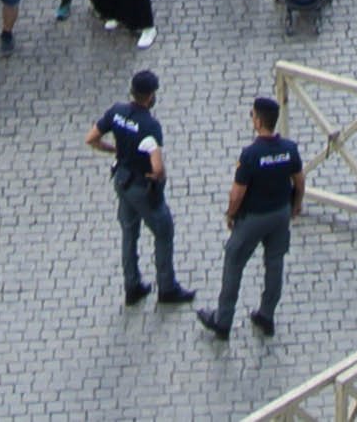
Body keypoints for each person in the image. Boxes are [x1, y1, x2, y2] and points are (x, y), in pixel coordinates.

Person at [205, 88, 306, 345]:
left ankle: (223, 320)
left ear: (258, 121)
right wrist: (296, 204)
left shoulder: (250, 155)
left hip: (253, 218)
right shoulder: (289, 149)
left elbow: (237, 193)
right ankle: (266, 314)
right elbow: (299, 179)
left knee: (234, 261)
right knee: (275, 263)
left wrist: (230, 215)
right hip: (279, 214)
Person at [97, 64, 190, 307]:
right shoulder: (150, 126)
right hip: (141, 186)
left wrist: (114, 149)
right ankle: (167, 287)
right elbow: (157, 167)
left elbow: (92, 138)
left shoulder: (116, 112)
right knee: (163, 231)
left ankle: (132, 285)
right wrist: (159, 178)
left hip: (121, 180)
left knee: (129, 233)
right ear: (150, 96)